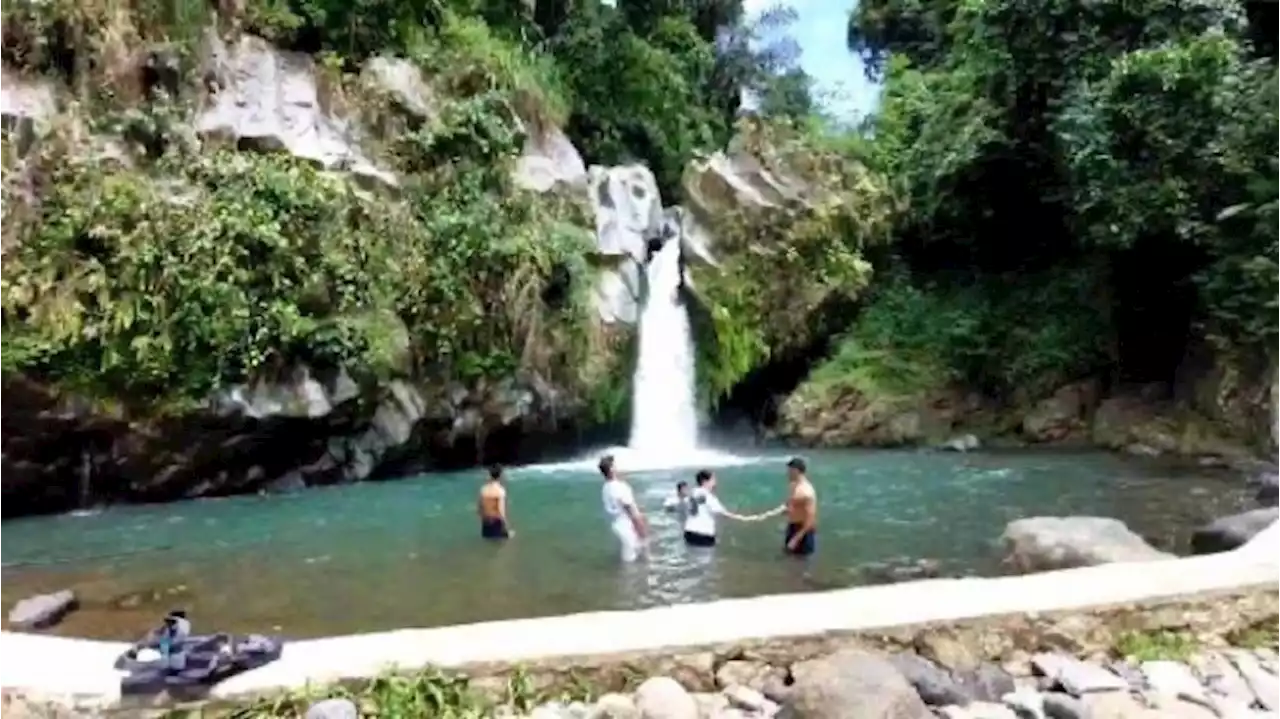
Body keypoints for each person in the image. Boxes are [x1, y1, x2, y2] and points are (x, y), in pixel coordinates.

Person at [754, 456, 818, 556]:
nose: (787, 473)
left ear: (796, 471)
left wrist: (796, 538)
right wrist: (768, 514)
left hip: (803, 531)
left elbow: (810, 519)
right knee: (789, 558)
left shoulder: (806, 491)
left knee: (802, 562)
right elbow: (790, 505)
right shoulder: (793, 485)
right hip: (792, 527)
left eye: (790, 471)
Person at [682, 469, 755, 547]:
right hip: (703, 534)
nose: (715, 482)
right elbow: (723, 513)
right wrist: (745, 519)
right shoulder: (709, 496)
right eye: (713, 479)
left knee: (693, 556)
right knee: (705, 558)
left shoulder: (692, 493)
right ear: (705, 481)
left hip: (688, 532)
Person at [600, 454, 648, 562]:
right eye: (615, 465)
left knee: (625, 560)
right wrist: (642, 533)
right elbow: (631, 512)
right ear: (612, 469)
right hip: (627, 528)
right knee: (632, 564)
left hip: (616, 527)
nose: (618, 467)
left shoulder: (605, 488)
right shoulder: (620, 487)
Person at [477, 464, 513, 540]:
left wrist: (485, 520)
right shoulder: (500, 490)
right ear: (500, 476)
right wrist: (505, 527)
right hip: (497, 522)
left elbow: (479, 509)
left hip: (486, 522)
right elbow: (500, 510)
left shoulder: (483, 489)